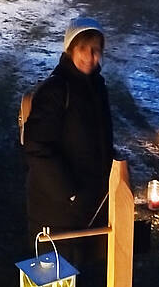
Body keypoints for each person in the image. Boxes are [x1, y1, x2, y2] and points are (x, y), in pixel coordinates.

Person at [23, 17, 114, 243]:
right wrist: (69, 193)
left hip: (91, 205)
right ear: (70, 49)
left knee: (87, 273)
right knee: (59, 275)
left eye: (96, 50)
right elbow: (36, 146)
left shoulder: (97, 88)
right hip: (57, 212)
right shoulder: (56, 89)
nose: (89, 57)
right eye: (83, 48)